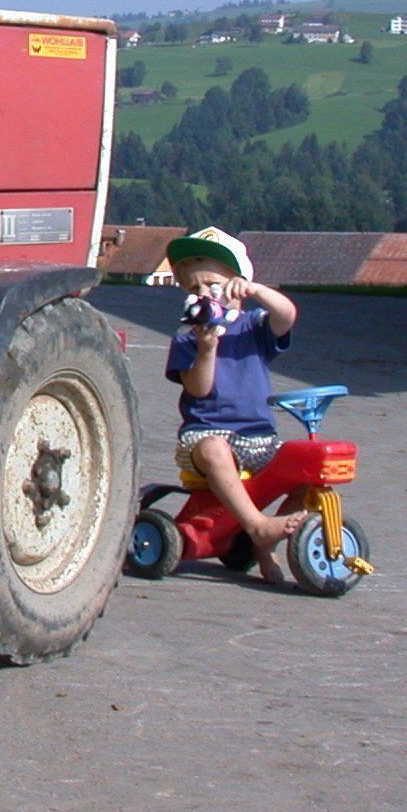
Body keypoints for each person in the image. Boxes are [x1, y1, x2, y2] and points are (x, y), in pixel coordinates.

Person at [163, 226, 305, 583]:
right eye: (193, 288)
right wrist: (206, 348)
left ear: (234, 286)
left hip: (259, 438)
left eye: (210, 284)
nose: (201, 293)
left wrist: (257, 292)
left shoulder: (253, 326)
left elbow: (287, 316)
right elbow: (198, 390)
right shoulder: (187, 341)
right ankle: (257, 526)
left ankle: (267, 544)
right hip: (205, 436)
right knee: (214, 450)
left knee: (304, 470)